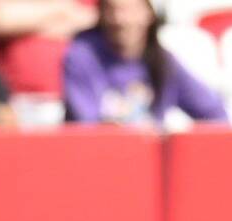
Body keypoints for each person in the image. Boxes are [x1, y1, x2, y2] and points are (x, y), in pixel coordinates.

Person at [59, 0, 221, 128]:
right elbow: (88, 127)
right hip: (99, 160)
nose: (120, 20)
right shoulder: (82, 56)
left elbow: (215, 114)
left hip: (148, 163)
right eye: (111, 9)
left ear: (149, 13)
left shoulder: (163, 62)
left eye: (130, 9)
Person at [0, 0, 90, 100]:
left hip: (70, 99)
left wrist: (25, 24)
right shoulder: (61, 7)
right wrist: (61, 8)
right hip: (11, 99)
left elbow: (91, 20)